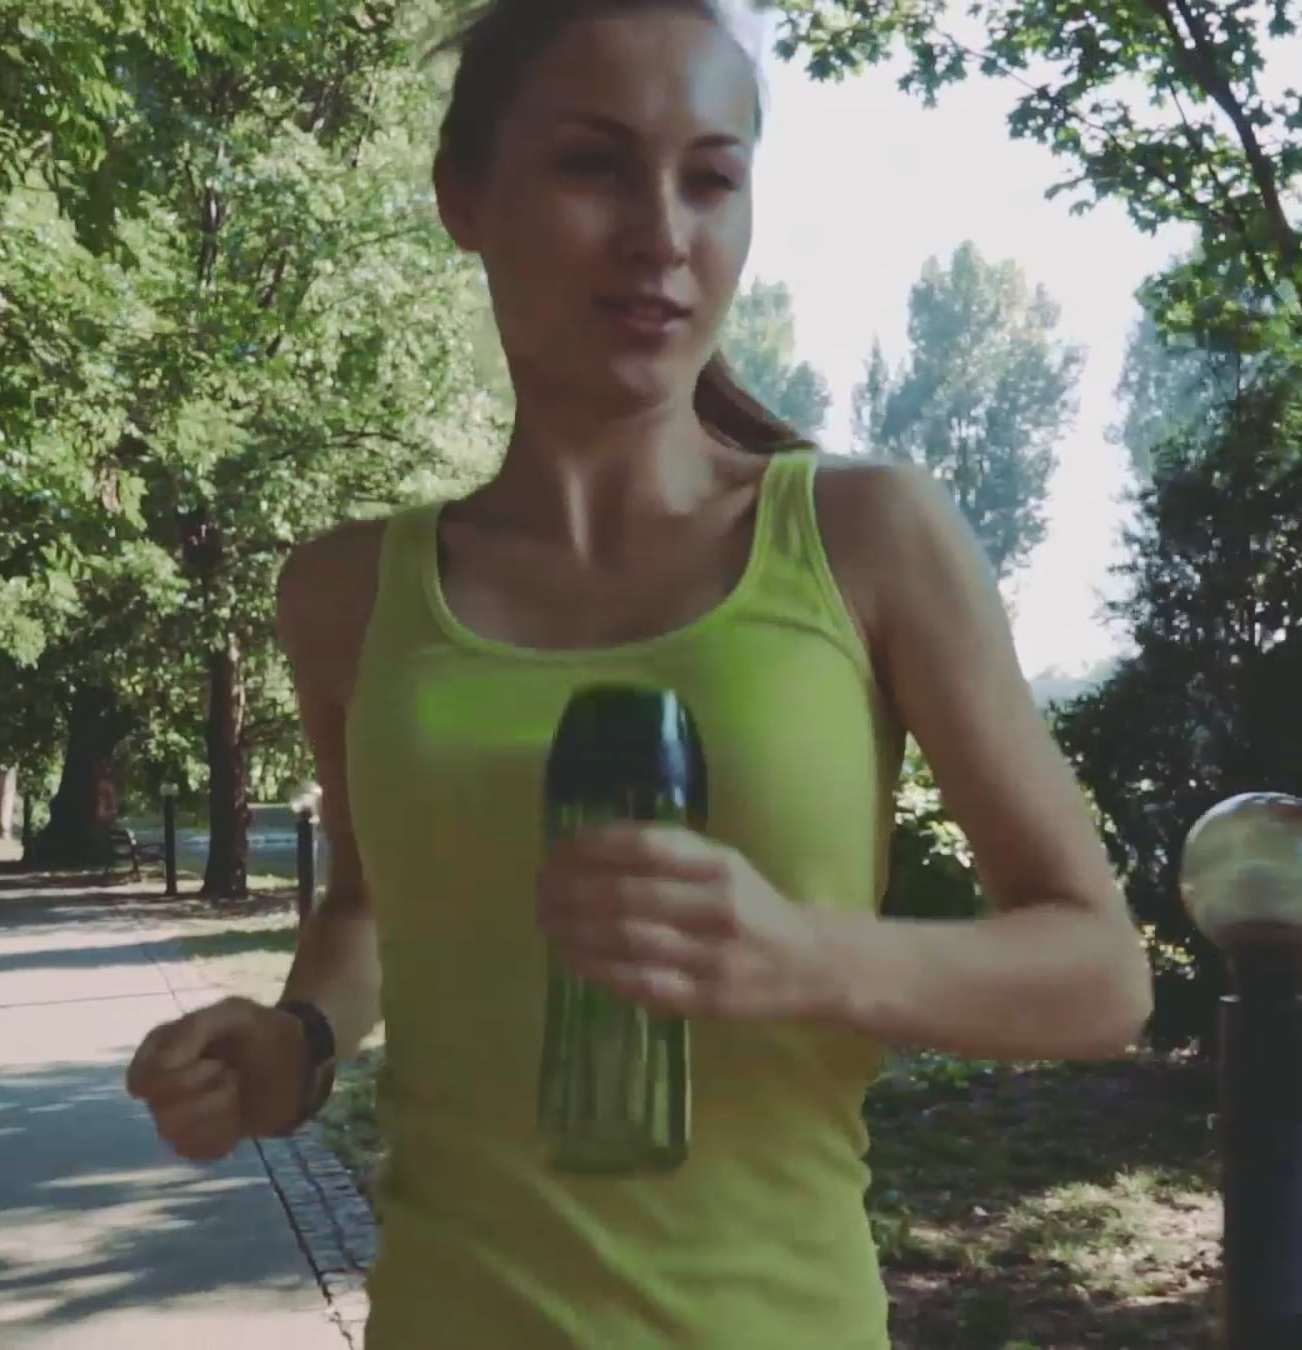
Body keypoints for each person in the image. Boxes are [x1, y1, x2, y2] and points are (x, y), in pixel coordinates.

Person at [122, 0, 1154, 1344]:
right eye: (593, 165)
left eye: (710, 179)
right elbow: (376, 904)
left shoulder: (868, 538)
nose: (663, 234)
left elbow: (1100, 974)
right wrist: (298, 1043)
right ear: (463, 196)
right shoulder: (345, 593)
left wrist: (808, 955)